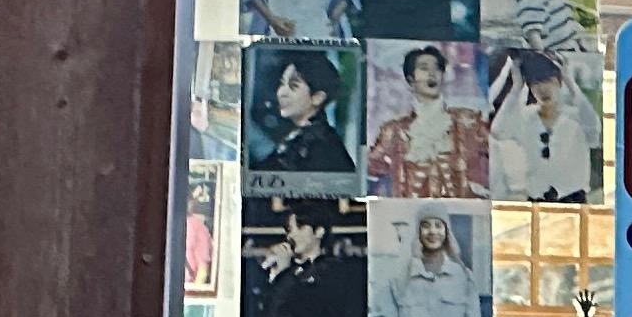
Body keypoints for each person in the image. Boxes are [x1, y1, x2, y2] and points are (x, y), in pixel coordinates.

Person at [364, 41, 487, 199]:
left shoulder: (468, 122)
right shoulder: (393, 131)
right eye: (424, 68)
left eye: (437, 68)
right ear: (411, 79)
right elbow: (370, 170)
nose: (432, 73)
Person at [370, 207, 489, 317]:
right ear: (417, 232)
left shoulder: (464, 277)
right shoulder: (398, 279)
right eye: (425, 226)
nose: (432, 231)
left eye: (438, 225)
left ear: (446, 232)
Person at [242, 204, 357, 317]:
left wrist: (284, 275)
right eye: (289, 229)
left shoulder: (332, 270)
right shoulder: (288, 271)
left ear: (319, 231)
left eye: (300, 227)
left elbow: (312, 312)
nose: (292, 235)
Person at [487, 46, 596, 203]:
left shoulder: (576, 116)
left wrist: (570, 82)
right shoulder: (526, 116)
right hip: (537, 202)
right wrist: (516, 87)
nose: (543, 89)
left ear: (559, 82)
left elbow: (594, 129)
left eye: (548, 81)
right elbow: (498, 132)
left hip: (573, 200)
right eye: (536, 83)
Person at [247, 49, 355, 182]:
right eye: (282, 83)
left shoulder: (321, 147)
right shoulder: (298, 139)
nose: (281, 93)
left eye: (293, 86)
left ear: (317, 97)